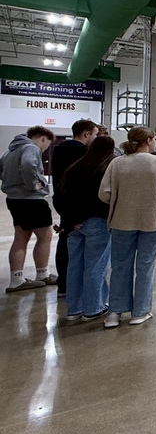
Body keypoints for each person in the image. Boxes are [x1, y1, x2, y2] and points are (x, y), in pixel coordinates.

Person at [99, 127, 156, 328]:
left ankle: (114, 313)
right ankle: (140, 312)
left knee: (120, 266)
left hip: (121, 221)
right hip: (152, 221)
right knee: (145, 266)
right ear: (150, 140)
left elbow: (104, 194)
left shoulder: (117, 163)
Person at [55, 135, 116, 323]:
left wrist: (72, 220)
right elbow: (103, 200)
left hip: (73, 225)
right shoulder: (104, 170)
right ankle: (93, 307)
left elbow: (59, 196)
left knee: (75, 266)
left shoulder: (74, 168)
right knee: (95, 266)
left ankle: (73, 309)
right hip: (96, 223)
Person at [2, 126, 56, 293]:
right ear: (42, 138)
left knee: (21, 237)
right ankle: (42, 274)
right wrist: (37, 186)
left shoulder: (11, 149)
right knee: (45, 236)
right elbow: (28, 165)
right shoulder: (31, 148)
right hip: (31, 200)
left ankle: (16, 279)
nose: (46, 148)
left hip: (14, 199)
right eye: (47, 144)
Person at [51, 119, 98, 296]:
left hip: (64, 205)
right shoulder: (83, 153)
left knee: (65, 241)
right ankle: (79, 288)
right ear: (86, 134)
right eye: (94, 134)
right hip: (80, 209)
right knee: (80, 249)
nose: (95, 138)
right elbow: (83, 185)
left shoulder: (59, 150)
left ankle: (64, 284)